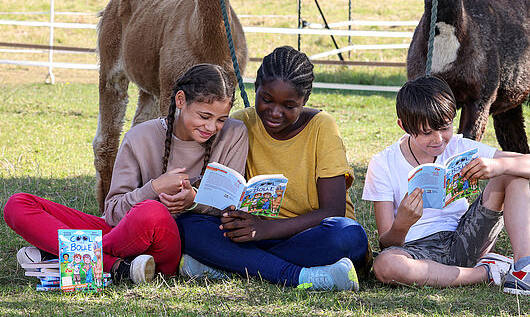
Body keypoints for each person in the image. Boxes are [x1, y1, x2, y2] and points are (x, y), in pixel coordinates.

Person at [4, 64, 248, 285]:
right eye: (204, 116)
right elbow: (112, 212)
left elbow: (230, 205)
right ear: (181, 100)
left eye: (220, 119)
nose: (211, 127)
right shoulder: (140, 137)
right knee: (18, 204)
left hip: (166, 245)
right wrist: (153, 188)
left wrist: (193, 200)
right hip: (123, 236)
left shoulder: (234, 133)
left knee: (152, 212)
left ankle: (62, 254)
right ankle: (117, 268)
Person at [177, 46, 371, 291]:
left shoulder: (322, 127)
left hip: (309, 236)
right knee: (188, 225)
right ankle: (301, 275)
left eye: (289, 106)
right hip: (249, 235)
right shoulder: (239, 123)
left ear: (304, 100)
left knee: (349, 236)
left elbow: (333, 210)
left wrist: (266, 229)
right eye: (266, 100)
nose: (275, 112)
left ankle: (230, 266)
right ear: (256, 87)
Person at [362, 75, 530, 294]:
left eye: (445, 127)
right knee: (385, 265)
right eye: (427, 132)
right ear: (403, 126)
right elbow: (387, 243)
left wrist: (498, 167)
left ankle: (524, 267)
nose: (439, 139)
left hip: (465, 236)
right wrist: (402, 223)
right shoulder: (383, 163)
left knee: (513, 172)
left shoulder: (459, 146)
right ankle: (488, 272)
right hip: (417, 251)